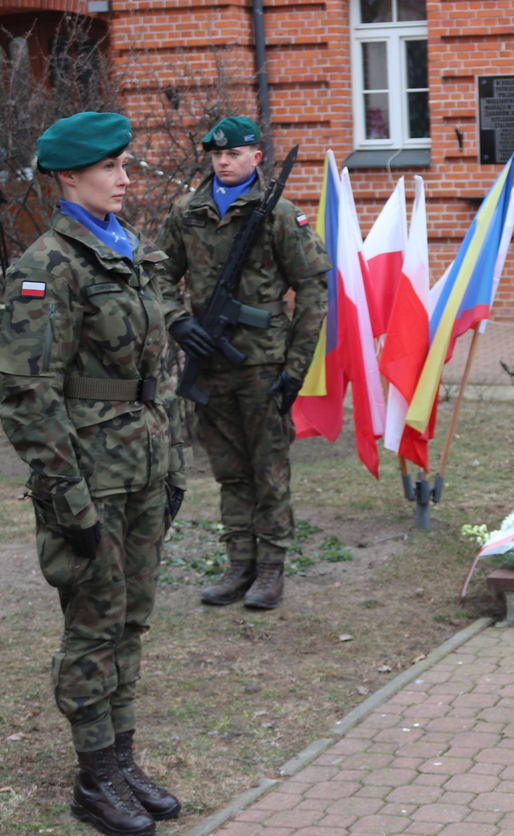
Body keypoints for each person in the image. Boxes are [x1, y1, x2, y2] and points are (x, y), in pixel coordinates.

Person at [0, 112, 185, 836]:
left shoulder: (128, 253)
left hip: (141, 465)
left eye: (125, 165)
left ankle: (123, 756)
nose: (126, 179)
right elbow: (28, 397)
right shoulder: (47, 267)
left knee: (132, 616)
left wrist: (168, 464)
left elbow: (148, 372)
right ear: (69, 175)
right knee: (92, 624)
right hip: (89, 479)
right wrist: (65, 494)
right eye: (112, 168)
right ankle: (93, 775)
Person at [157, 116, 329, 611]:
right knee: (230, 471)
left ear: (256, 158)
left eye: (233, 154)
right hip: (209, 363)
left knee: (268, 468)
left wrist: (296, 366)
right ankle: (239, 563)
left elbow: (315, 286)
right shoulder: (186, 212)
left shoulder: (279, 215)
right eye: (216, 155)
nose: (223, 162)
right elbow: (158, 276)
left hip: (263, 364)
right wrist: (177, 321)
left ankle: (271, 568)